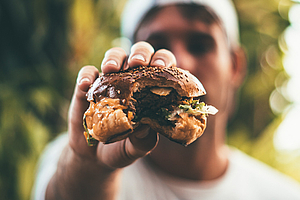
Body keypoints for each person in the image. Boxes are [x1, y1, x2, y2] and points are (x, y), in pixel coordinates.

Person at [32, 0, 300, 199]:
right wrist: (87, 169)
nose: (180, 62)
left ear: (234, 66)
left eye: (199, 45)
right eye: (160, 45)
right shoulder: (70, 160)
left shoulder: (282, 194)